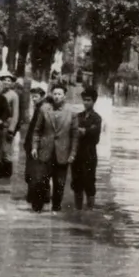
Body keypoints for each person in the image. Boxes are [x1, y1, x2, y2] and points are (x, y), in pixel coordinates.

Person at [30, 83, 79, 212]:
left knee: (59, 185)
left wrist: (73, 154)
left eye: (59, 94)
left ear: (64, 96)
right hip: (45, 151)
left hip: (62, 153)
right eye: (55, 94)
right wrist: (34, 147)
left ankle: (55, 210)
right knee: (40, 182)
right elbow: (37, 130)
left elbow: (74, 135)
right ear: (51, 94)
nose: (57, 96)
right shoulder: (44, 109)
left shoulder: (71, 112)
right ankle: (37, 210)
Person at [71, 87, 103, 210]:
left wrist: (81, 130)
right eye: (84, 100)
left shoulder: (97, 118)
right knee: (76, 183)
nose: (86, 103)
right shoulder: (78, 116)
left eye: (88, 100)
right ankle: (78, 210)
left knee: (89, 183)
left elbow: (91, 132)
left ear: (93, 101)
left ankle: (90, 210)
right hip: (77, 153)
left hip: (89, 153)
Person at [24, 87, 52, 204]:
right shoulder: (40, 108)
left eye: (35, 97)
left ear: (42, 96)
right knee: (38, 174)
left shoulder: (41, 109)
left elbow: (37, 130)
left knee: (35, 174)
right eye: (32, 97)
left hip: (37, 146)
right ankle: (41, 198)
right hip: (35, 146)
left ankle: (36, 199)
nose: (33, 99)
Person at [0, 72, 20, 178]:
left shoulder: (14, 95)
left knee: (6, 153)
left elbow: (16, 114)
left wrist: (11, 130)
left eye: (9, 80)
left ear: (12, 83)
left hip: (7, 127)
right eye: (5, 80)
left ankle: (6, 180)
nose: (6, 82)